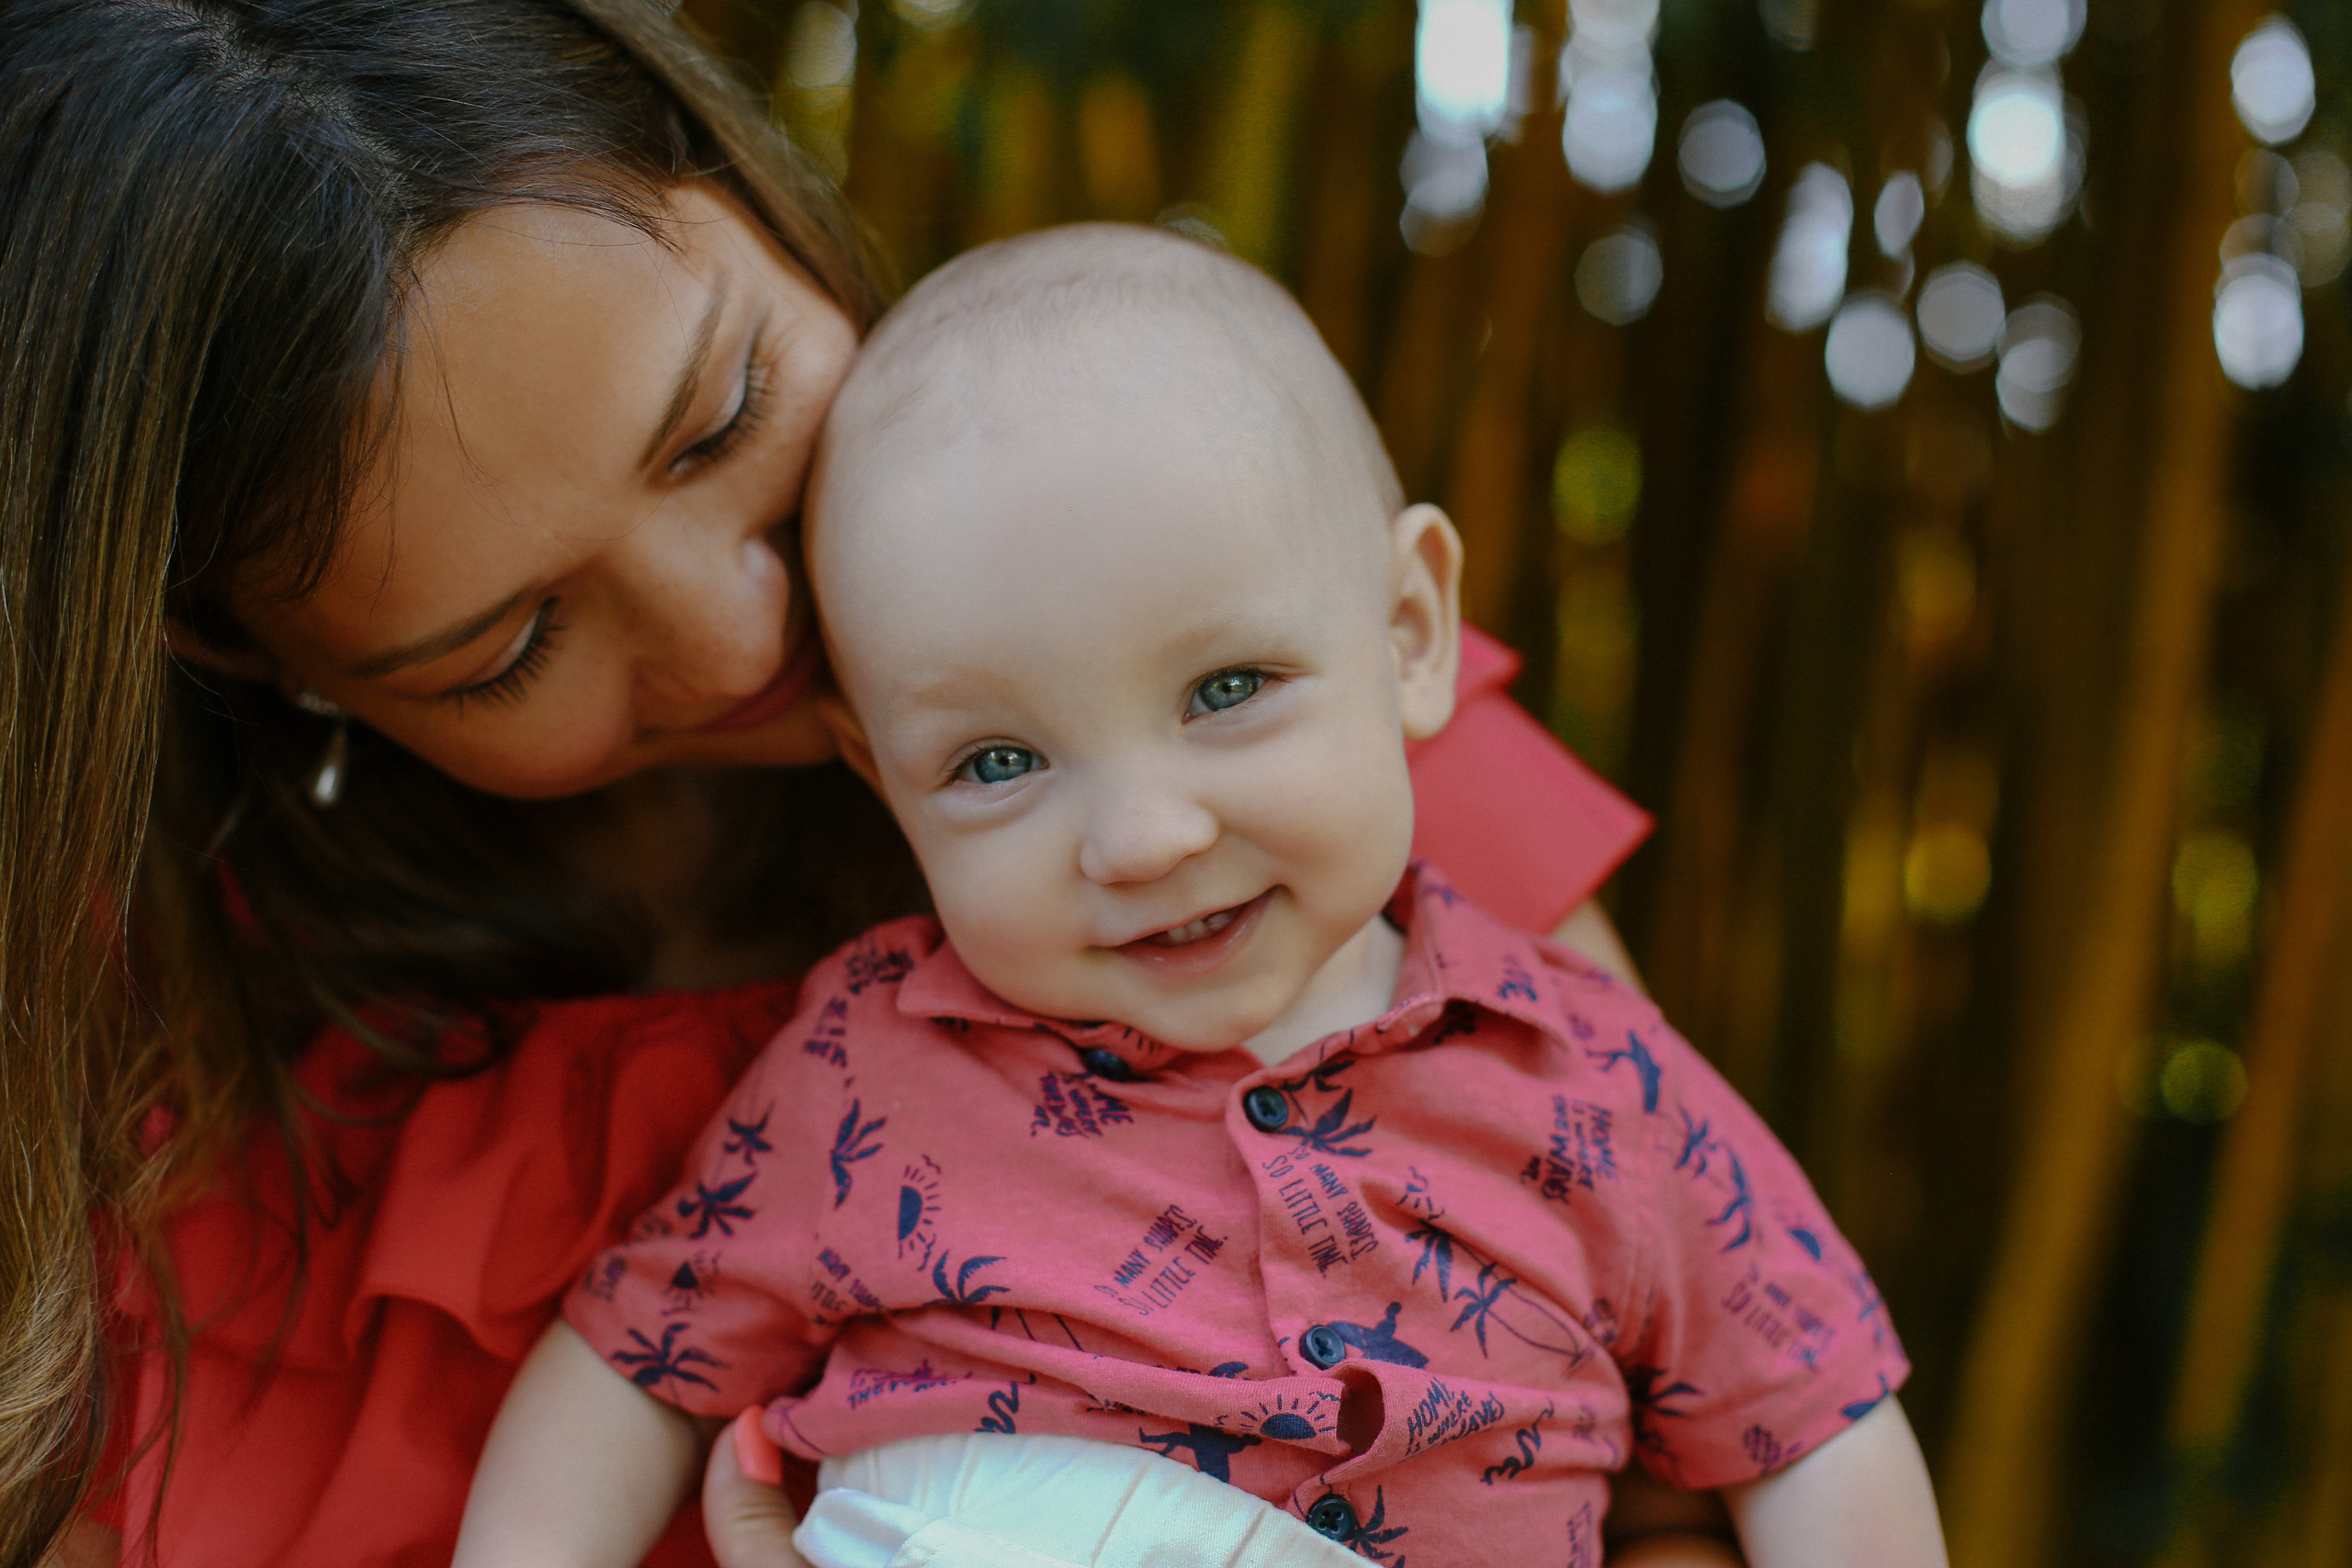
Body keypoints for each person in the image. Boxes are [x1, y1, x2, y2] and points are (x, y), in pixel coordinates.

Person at [0, 5, 1722, 1567]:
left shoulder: (1300, 777)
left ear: (752, 182)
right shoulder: (125, 1054)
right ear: (247, 658)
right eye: (510, 646)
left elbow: (1694, 1477)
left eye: (723, 413)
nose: (742, 629)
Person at [451, 226, 1944, 1568]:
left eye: (1226, 688)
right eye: (996, 760)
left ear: (1412, 631)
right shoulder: (868, 1066)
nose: (1143, 836)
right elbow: (633, 1360)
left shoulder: (1594, 1075)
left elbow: (1815, 1416)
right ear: (877, 778)